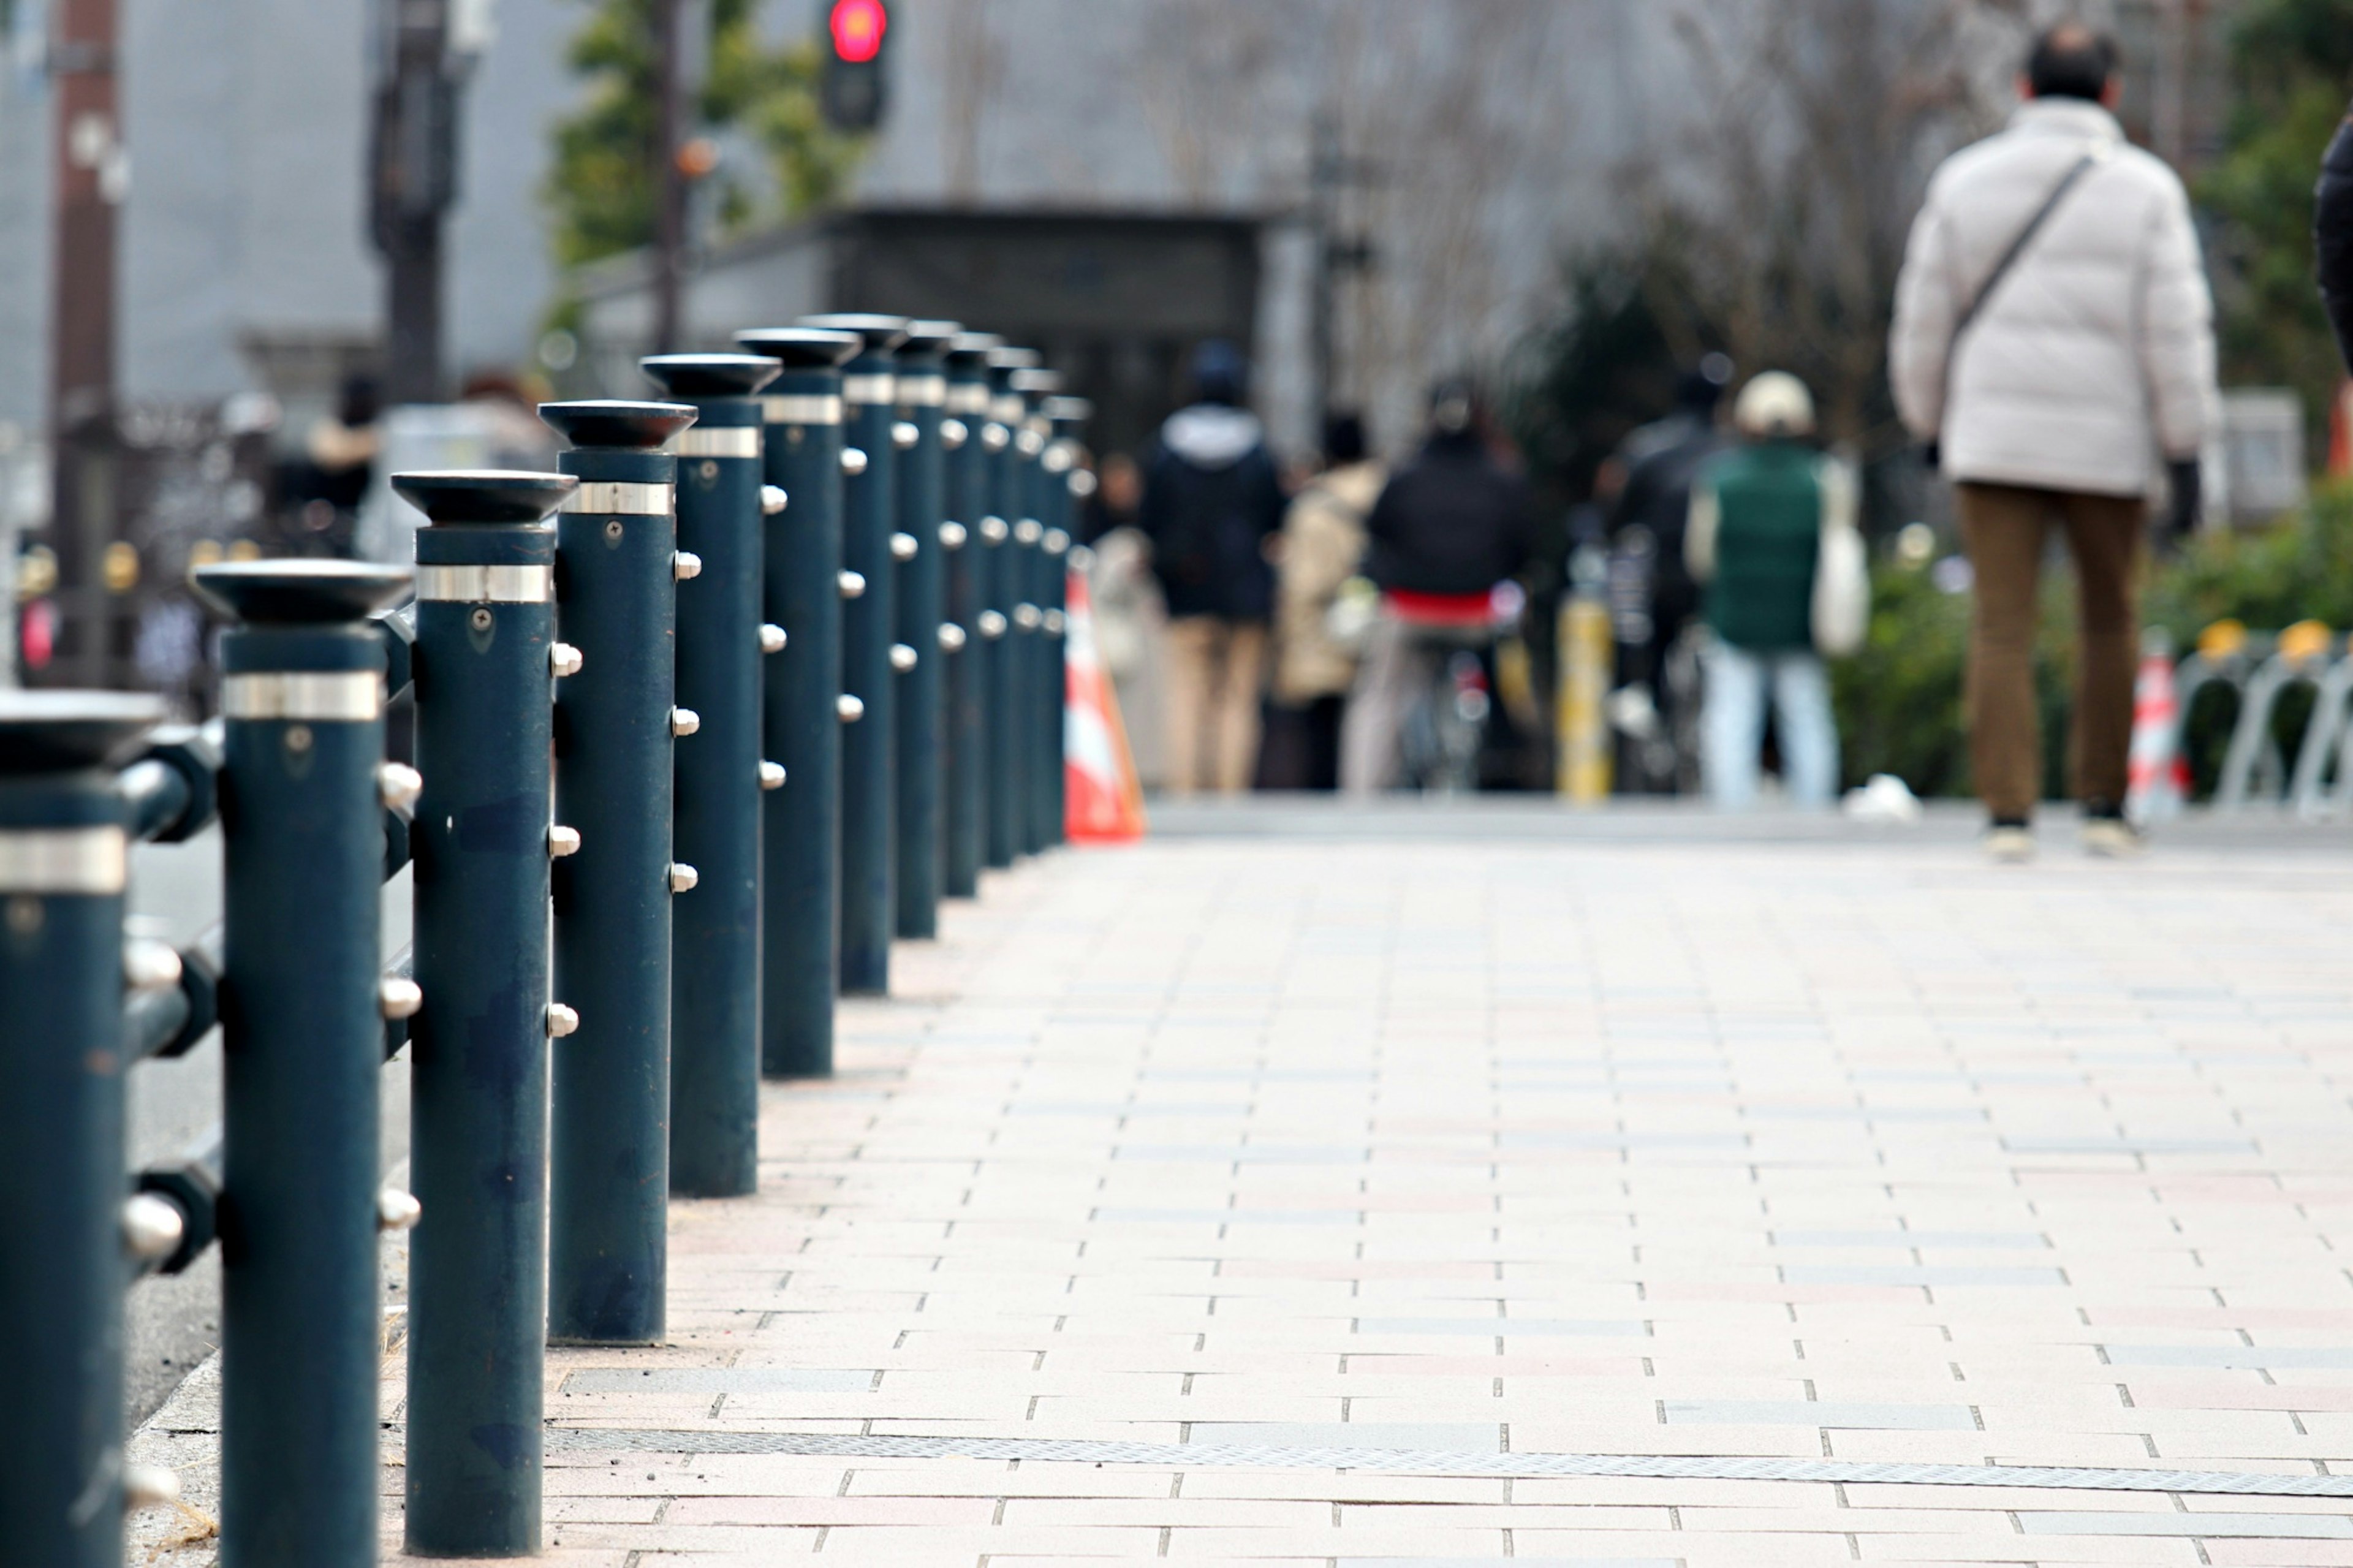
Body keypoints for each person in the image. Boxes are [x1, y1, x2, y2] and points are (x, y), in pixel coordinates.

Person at [1890, 22, 2216, 862]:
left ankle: (2009, 814)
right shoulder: (2148, 190)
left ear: (2024, 90)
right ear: (2111, 93)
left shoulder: (1964, 182)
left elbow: (1924, 322)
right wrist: (2185, 448)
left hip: (1993, 438)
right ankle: (2104, 806)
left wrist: (1928, 421)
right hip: (2108, 443)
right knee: (2109, 619)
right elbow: (2177, 335)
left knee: (2002, 623)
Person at [1339, 379, 1535, 793]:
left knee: (1380, 695)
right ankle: (1511, 756)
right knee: (1507, 668)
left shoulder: (1405, 477)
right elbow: (1523, 548)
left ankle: (1361, 790)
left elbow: (1377, 536)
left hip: (1410, 608)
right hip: (1479, 610)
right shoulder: (1504, 479)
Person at [1686, 373, 1848, 811]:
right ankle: (1815, 807)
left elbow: (1700, 556)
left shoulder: (1720, 479)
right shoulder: (1827, 479)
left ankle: (1731, 806)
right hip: (1802, 619)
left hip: (1735, 615)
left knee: (1731, 716)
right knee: (1807, 715)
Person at [1137, 340, 1288, 795]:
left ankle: (1185, 790)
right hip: (1247, 590)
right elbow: (1276, 515)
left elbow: (1148, 517)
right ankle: (1229, 792)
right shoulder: (1256, 447)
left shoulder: (1166, 446)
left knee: (1185, 693)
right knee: (1239, 699)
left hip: (1186, 589)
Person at [1265, 412, 1384, 790]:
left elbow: (1302, 585)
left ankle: (1330, 799)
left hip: (1323, 629)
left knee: (1321, 731)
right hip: (1384, 621)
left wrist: (1286, 642)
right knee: (1378, 714)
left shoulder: (1312, 507)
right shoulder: (1391, 492)